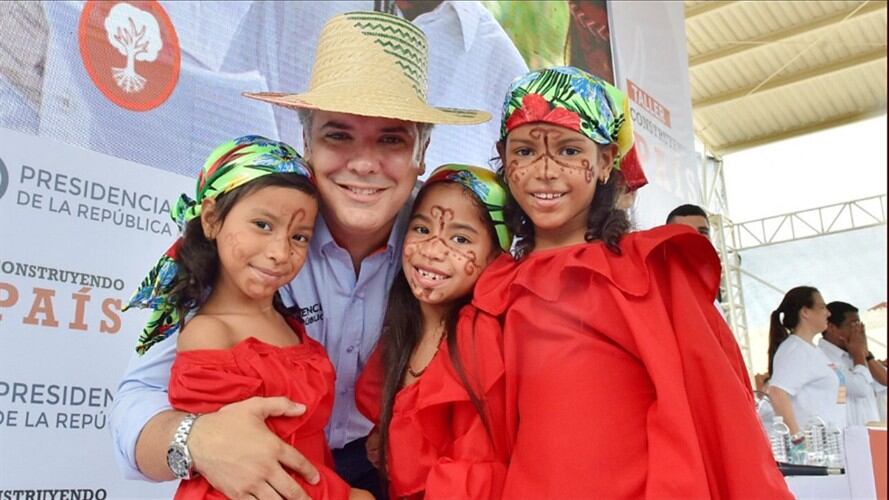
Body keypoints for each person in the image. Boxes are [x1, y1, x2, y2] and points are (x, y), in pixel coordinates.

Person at [110, 11, 490, 499]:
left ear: (423, 151)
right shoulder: (249, 235)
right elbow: (137, 399)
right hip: (262, 470)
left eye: (391, 138)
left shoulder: (445, 242)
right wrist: (198, 441)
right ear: (306, 141)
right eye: (339, 134)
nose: (364, 162)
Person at [471, 66, 791, 498]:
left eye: (569, 151)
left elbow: (719, 410)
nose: (544, 171)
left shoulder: (649, 270)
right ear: (503, 159)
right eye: (524, 152)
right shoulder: (493, 283)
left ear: (605, 163)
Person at [124, 136, 372, 499]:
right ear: (211, 219)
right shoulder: (209, 333)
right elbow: (249, 464)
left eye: (300, 236)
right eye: (262, 225)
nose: (280, 252)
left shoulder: (289, 322)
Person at [355, 165, 511, 499]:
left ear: (496, 257)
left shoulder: (478, 342)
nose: (432, 250)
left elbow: (474, 469)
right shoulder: (402, 326)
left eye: (460, 239)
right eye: (422, 228)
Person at [767, 286, 846, 441]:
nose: (828, 313)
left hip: (832, 443)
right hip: (814, 450)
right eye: (822, 307)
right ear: (805, 312)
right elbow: (777, 392)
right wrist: (797, 438)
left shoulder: (812, 349)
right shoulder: (794, 350)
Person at [820, 301, 881, 426]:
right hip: (846, 438)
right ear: (831, 328)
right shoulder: (822, 358)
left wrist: (865, 354)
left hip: (872, 435)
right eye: (853, 325)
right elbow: (860, 389)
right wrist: (859, 355)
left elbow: (884, 381)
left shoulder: (856, 353)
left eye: (859, 325)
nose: (858, 331)